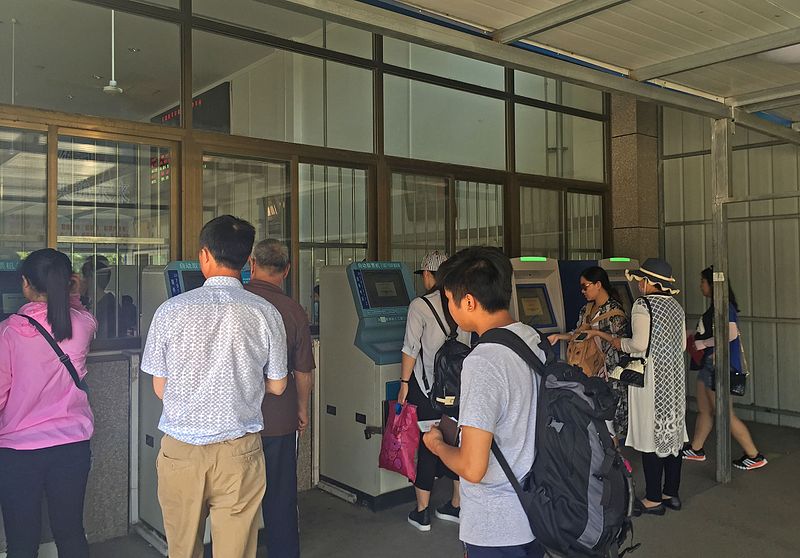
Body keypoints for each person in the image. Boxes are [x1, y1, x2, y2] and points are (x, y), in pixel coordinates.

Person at [140, 215, 288, 558]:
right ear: (248, 260)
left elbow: (160, 388)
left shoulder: (170, 311)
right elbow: (278, 385)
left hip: (181, 451)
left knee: (182, 548)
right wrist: (244, 385)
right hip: (240, 451)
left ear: (204, 255)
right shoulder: (266, 313)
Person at [423, 247, 547, 558]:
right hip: (536, 509)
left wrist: (436, 444)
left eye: (449, 300)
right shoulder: (530, 338)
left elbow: (473, 467)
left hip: (497, 525)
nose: (449, 308)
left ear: (469, 302)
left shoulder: (484, 361)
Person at [0, 248, 97, 557]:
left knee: (21, 540)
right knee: (70, 533)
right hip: (72, 448)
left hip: (18, 453)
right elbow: (79, 314)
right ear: (68, 282)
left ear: (26, 284)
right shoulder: (83, 325)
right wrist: (76, 295)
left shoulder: (9, 332)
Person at [586, 258, 687, 516]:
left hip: (649, 379)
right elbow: (683, 345)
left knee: (649, 435)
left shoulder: (643, 305)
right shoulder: (675, 306)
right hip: (673, 378)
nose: (639, 284)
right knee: (671, 434)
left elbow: (640, 344)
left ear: (649, 282)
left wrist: (621, 344)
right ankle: (671, 493)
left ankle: (653, 498)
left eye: (642, 280)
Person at [245, 239, 315, 558]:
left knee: (237, 499)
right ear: (286, 271)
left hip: (238, 422)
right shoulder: (293, 310)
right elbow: (303, 372)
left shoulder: (237, 301)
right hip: (280, 420)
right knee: (281, 498)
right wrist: (302, 410)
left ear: (252, 264)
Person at [398, 250, 468, 531]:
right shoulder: (463, 302)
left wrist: (404, 384)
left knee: (428, 445)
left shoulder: (419, 306)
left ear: (429, 275)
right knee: (453, 442)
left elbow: (410, 349)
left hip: (427, 390)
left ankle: (422, 512)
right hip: (457, 388)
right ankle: (456, 506)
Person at [682, 267, 767, 470]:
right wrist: (693, 334)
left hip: (719, 366)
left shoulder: (725, 307)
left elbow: (730, 334)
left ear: (712, 284)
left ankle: (754, 455)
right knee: (705, 410)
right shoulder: (715, 307)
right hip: (708, 365)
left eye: (703, 281)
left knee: (725, 413)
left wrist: (703, 344)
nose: (700, 285)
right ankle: (696, 448)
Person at [548, 266, 629, 439]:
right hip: (588, 373)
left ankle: (615, 461)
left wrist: (596, 333)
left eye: (585, 286)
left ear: (598, 284)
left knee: (608, 425)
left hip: (609, 374)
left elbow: (620, 343)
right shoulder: (586, 309)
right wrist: (560, 336)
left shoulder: (615, 312)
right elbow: (578, 333)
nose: (582, 291)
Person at [80, 255, 117, 338]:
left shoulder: (109, 306)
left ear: (91, 277)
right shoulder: (86, 302)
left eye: (82, 276)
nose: (80, 280)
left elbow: (103, 338)